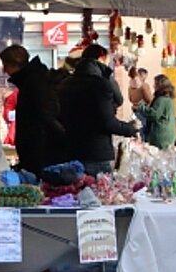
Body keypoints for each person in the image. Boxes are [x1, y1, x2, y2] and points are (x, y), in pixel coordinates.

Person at [58, 43, 141, 175]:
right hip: (96, 153)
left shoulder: (65, 84)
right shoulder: (100, 84)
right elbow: (108, 121)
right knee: (99, 188)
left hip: (70, 151)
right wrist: (130, 129)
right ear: (101, 59)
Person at [0, 45, 63, 177]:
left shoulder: (33, 83)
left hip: (38, 152)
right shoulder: (33, 80)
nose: (4, 70)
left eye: (6, 65)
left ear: (15, 64)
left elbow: (44, 116)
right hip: (38, 151)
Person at [139, 74, 176, 149]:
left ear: (160, 85)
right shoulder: (169, 98)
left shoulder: (161, 100)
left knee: (159, 154)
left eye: (155, 84)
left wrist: (141, 107)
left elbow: (153, 115)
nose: (153, 86)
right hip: (169, 132)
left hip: (161, 134)